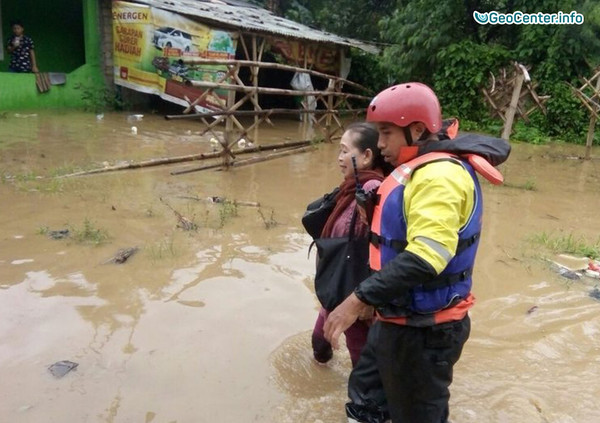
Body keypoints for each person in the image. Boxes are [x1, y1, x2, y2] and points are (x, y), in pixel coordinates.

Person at [324, 82, 510, 423]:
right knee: (365, 401)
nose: (379, 145)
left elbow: (427, 257)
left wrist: (356, 300)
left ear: (417, 130)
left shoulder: (439, 176)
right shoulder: (415, 169)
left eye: (385, 133)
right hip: (395, 320)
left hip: (425, 332)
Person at [310, 122, 390, 368]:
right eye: (339, 151)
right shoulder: (349, 188)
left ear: (366, 156)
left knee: (360, 357)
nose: (340, 158)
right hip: (338, 284)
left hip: (354, 289)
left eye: (345, 151)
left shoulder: (371, 189)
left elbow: (382, 246)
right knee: (319, 341)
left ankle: (360, 399)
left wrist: (367, 302)